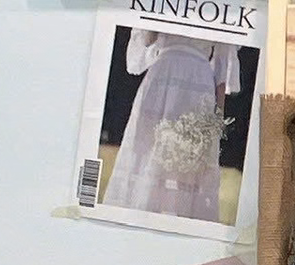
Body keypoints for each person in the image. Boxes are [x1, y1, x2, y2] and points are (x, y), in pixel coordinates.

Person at [103, 29, 240, 223]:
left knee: (188, 158)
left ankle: (177, 222)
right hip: (162, 77)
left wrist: (218, 117)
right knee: (149, 148)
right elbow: (148, 40)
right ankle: (141, 215)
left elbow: (222, 65)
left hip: (197, 84)